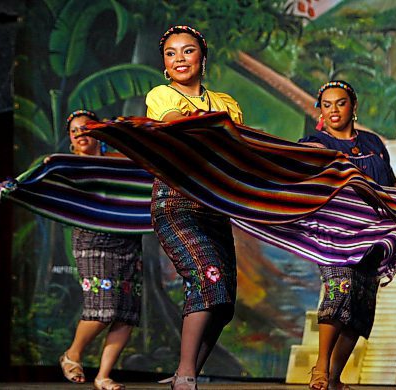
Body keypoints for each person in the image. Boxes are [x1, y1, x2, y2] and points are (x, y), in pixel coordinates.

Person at [301, 80, 396, 390]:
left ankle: (334, 377)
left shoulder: (374, 143)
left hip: (372, 234)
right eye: (327, 104)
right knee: (339, 289)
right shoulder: (315, 142)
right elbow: (303, 167)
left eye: (341, 103)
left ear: (353, 106)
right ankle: (320, 369)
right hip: (335, 232)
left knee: (361, 306)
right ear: (320, 110)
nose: (334, 109)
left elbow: (388, 185)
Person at [145, 26, 243, 390]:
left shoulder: (226, 102)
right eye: (171, 54)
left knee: (224, 300)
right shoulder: (161, 95)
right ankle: (186, 374)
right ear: (165, 66)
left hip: (215, 206)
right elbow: (177, 127)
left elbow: (237, 149)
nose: (179, 59)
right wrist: (218, 132)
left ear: (203, 59)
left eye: (187, 51)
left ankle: (187, 374)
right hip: (175, 201)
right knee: (206, 277)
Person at [59, 109, 143, 390]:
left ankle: (104, 375)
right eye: (74, 131)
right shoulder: (68, 166)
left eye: (86, 128)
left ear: (97, 133)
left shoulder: (118, 162)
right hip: (92, 240)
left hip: (126, 238)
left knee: (126, 312)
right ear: (70, 138)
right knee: (103, 309)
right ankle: (73, 354)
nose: (80, 134)